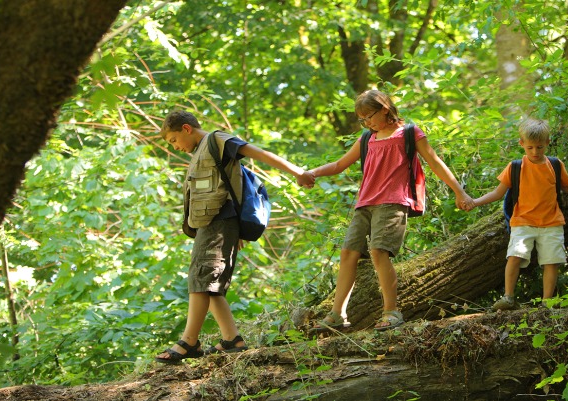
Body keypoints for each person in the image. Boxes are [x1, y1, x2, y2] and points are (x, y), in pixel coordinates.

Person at [299, 89, 473, 331]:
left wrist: (459, 192)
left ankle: (392, 312)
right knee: (348, 252)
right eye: (362, 119)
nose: (367, 123)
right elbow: (339, 164)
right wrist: (312, 173)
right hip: (365, 203)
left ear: (384, 109)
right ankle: (338, 314)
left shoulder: (409, 133)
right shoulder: (367, 139)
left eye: (369, 116)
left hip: (393, 201)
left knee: (379, 251)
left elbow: (435, 162)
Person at [155, 110, 314, 364]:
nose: (175, 147)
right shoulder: (200, 152)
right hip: (211, 224)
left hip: (219, 222)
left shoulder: (217, 140)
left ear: (186, 128)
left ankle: (189, 342)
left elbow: (258, 153)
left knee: (202, 279)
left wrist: (297, 172)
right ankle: (232, 339)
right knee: (209, 282)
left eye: (174, 140)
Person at [466, 118, 568, 310]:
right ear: (521, 143)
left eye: (539, 147)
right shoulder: (515, 167)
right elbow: (498, 193)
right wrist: (475, 202)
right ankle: (508, 297)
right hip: (522, 222)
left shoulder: (555, 165)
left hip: (551, 222)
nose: (535, 152)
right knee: (514, 256)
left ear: (547, 143)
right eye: (530, 147)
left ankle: (547, 301)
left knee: (551, 261)